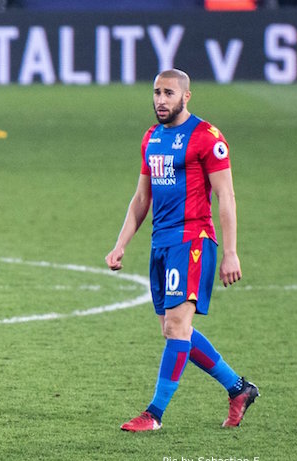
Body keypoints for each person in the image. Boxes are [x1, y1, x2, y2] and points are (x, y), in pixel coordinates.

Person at [105, 69, 259, 432]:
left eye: (169, 93)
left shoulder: (207, 137)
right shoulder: (152, 137)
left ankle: (154, 414)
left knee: (176, 326)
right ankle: (238, 389)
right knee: (174, 329)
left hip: (192, 241)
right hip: (161, 242)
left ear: (186, 97)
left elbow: (226, 196)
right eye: (157, 92)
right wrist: (120, 244)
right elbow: (142, 197)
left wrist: (231, 252)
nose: (161, 100)